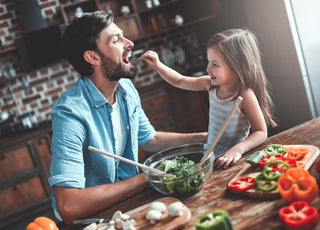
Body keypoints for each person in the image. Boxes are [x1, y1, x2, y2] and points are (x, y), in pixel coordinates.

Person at [48, 11, 207, 224]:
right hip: (91, 223)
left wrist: (207, 137)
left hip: (129, 206)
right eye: (116, 40)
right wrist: (148, 176)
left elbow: (150, 139)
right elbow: (69, 206)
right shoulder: (70, 113)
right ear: (93, 57)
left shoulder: (125, 88)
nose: (129, 43)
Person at [141, 28, 277, 170]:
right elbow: (179, 80)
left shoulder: (244, 94)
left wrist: (238, 150)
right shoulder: (210, 85)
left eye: (215, 64)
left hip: (232, 161)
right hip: (210, 158)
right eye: (208, 62)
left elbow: (261, 132)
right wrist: (158, 65)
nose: (208, 68)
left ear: (239, 67)